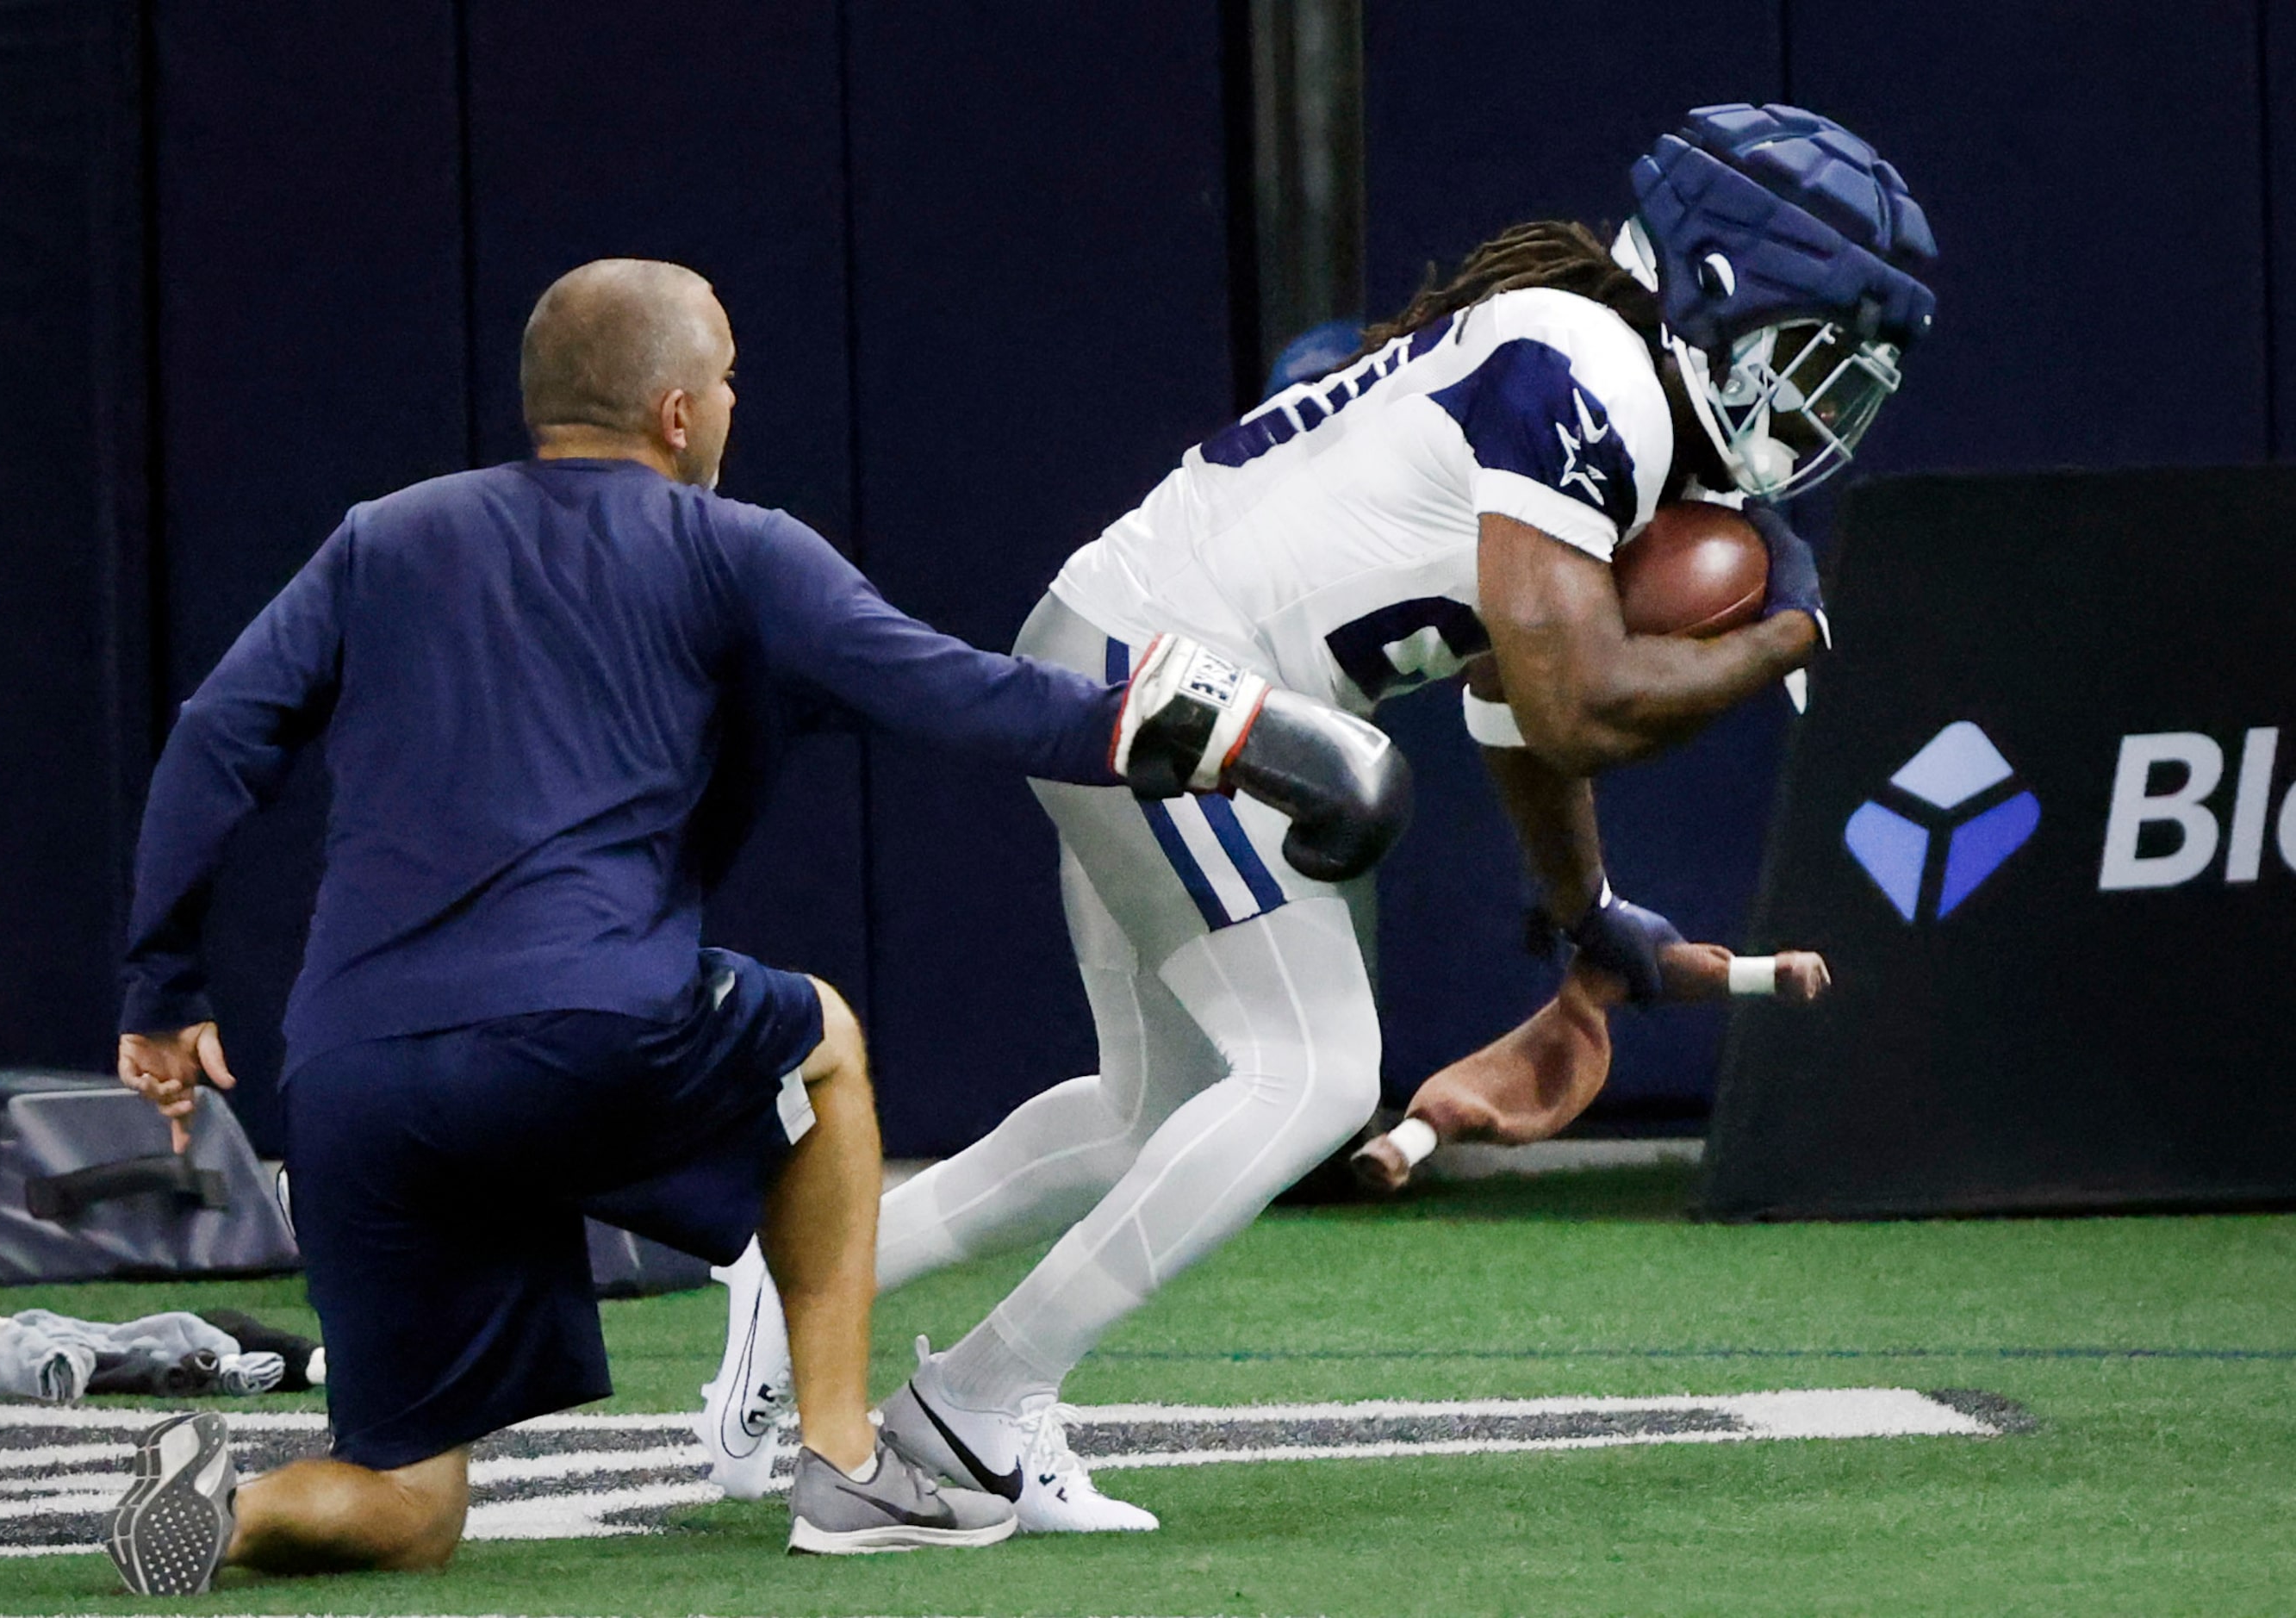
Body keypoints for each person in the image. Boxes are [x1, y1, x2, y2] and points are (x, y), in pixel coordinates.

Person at [698, 103, 1938, 1532]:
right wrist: (1787, 633)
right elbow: (1577, 701)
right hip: (1168, 677)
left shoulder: (1591, 363)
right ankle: (975, 1408)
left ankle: (783, 1283)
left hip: (1140, 653)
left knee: (1146, 1108)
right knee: (1318, 1069)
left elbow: (1504, 697)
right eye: (1813, 360)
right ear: (1719, 289)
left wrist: (1586, 915)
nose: (1818, 411)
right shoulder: (1589, 365)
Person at [104, 258, 1406, 1591]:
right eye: (726, 375)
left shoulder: (384, 536)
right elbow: (969, 698)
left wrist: (161, 991)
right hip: (580, 1028)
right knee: (825, 1038)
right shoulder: (736, 546)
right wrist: (1231, 733)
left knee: (406, 1499)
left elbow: (216, 736)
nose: (736, 398)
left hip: (353, 1075)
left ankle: (234, 1504)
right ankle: (845, 1463)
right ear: (677, 413)